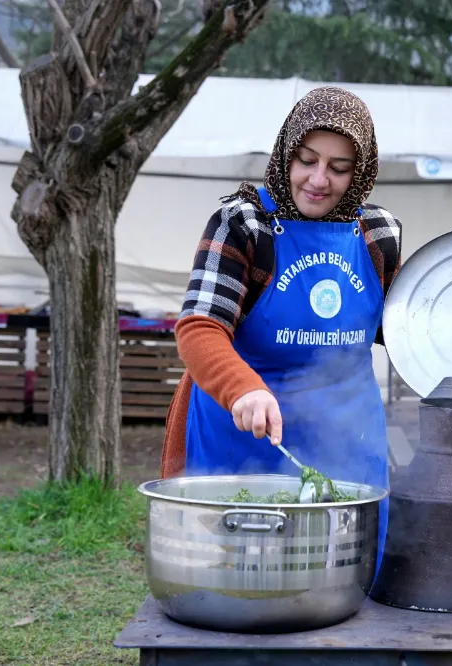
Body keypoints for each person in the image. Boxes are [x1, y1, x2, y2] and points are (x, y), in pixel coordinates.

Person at [159, 86, 402, 569]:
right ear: (287, 152)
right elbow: (199, 327)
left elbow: (401, 332)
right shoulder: (244, 223)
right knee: (230, 578)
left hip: (345, 442)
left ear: (362, 172)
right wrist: (243, 390)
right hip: (241, 437)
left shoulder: (379, 234)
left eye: (339, 168)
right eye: (307, 160)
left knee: (347, 580)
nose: (318, 180)